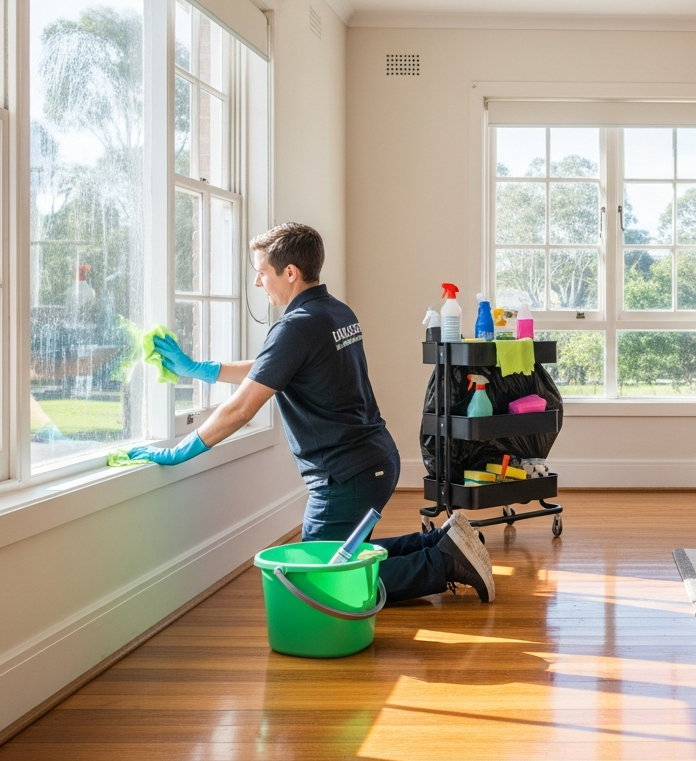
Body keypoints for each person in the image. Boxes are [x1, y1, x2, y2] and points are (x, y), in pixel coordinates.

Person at [129, 222, 496, 602]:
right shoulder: (334, 312)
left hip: (346, 475)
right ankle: (440, 540)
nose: (258, 283)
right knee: (346, 557)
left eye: (262, 272)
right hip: (372, 459)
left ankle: (445, 562)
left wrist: (179, 452)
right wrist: (201, 369)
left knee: (318, 582)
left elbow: (241, 409)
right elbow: (273, 366)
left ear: (290, 272)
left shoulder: (297, 326)